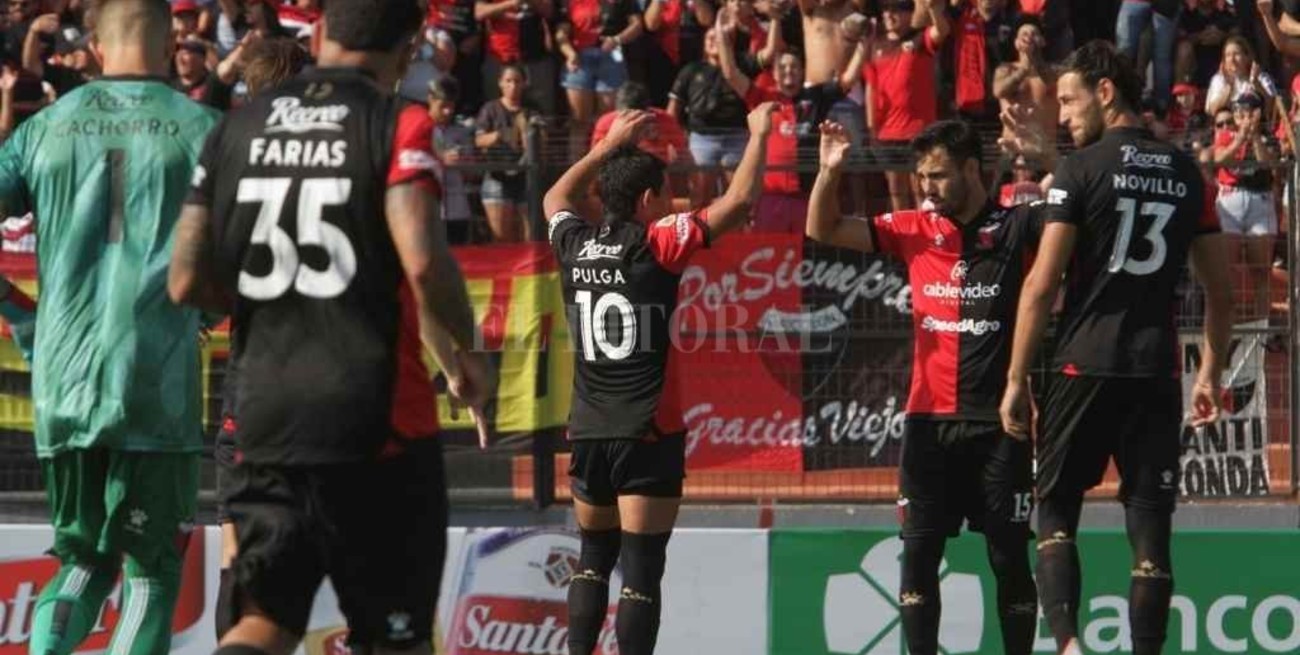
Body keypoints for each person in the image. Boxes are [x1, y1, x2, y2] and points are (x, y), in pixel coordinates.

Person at [168, 0, 493, 654]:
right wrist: (471, 351)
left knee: (263, 621)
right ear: (408, 49)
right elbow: (424, 263)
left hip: (262, 418)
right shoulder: (395, 121)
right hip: (374, 425)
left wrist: (268, 299)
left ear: (317, 33)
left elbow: (184, 279)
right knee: (394, 636)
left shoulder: (237, 127)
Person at [0, 1, 221, 654]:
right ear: (172, 43)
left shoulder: (42, 129)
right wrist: (208, 309)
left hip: (63, 379)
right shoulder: (205, 128)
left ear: (95, 47)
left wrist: (20, 312)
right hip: (155, 383)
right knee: (152, 569)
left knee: (81, 561)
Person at [999, 40, 1233, 655]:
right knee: (1151, 530)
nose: (1064, 115)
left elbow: (1041, 283)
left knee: (1055, 510)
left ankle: (1069, 645)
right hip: (1154, 369)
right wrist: (1210, 370)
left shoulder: (1079, 169)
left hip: (1082, 362)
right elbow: (1222, 290)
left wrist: (1016, 378)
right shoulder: (1187, 172)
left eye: (1069, 101)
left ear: (1105, 93)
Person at [544, 102, 776, 655]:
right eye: (667, 194)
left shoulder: (575, 244)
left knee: (592, 560)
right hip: (647, 430)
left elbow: (554, 197)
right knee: (642, 572)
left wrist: (604, 148)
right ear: (647, 199)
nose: (673, 203)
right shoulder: (657, 242)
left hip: (589, 430)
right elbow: (739, 202)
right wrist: (760, 134)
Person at [806, 119, 1040, 655]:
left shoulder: (1017, 225)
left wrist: (1046, 156)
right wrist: (828, 172)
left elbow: (1082, 220)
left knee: (1008, 557)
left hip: (999, 423)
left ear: (971, 169)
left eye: (937, 175)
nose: (925, 187)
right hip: (928, 423)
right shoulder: (913, 227)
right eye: (920, 176)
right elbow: (823, 228)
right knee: (917, 556)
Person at [208, 34, 309, 642]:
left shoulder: (223, 155)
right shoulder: (341, 155)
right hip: (319, 383)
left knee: (238, 555)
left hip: (248, 390)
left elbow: (194, 275)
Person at [475, 64, 536, 242]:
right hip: (496, 178)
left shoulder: (531, 110)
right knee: (501, 239)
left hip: (525, 179)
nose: (513, 86)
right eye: (508, 81)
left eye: (517, 81)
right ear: (500, 83)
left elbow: (539, 144)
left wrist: (525, 131)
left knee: (529, 236)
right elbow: (479, 140)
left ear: (524, 84)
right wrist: (500, 135)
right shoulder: (490, 109)